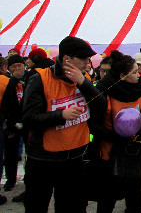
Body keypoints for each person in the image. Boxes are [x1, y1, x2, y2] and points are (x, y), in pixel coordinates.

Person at [22, 36, 104, 213]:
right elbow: (29, 118)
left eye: (88, 59)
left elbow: (101, 105)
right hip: (43, 160)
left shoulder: (83, 79)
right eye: (83, 59)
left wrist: (84, 83)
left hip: (75, 159)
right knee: (36, 205)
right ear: (67, 59)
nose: (87, 63)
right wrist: (61, 115)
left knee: (72, 207)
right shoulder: (40, 79)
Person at [89, 50, 141, 212]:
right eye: (134, 72)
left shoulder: (139, 90)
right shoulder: (104, 93)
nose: (138, 75)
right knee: (107, 201)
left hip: (135, 155)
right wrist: (116, 137)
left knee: (136, 200)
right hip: (109, 156)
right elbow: (93, 125)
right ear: (122, 75)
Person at [2, 55, 26, 194]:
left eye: (20, 65)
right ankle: (10, 180)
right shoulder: (8, 82)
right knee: (10, 154)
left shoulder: (31, 79)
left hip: (27, 122)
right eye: (14, 66)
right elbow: (5, 103)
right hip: (12, 123)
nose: (18, 69)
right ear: (9, 68)